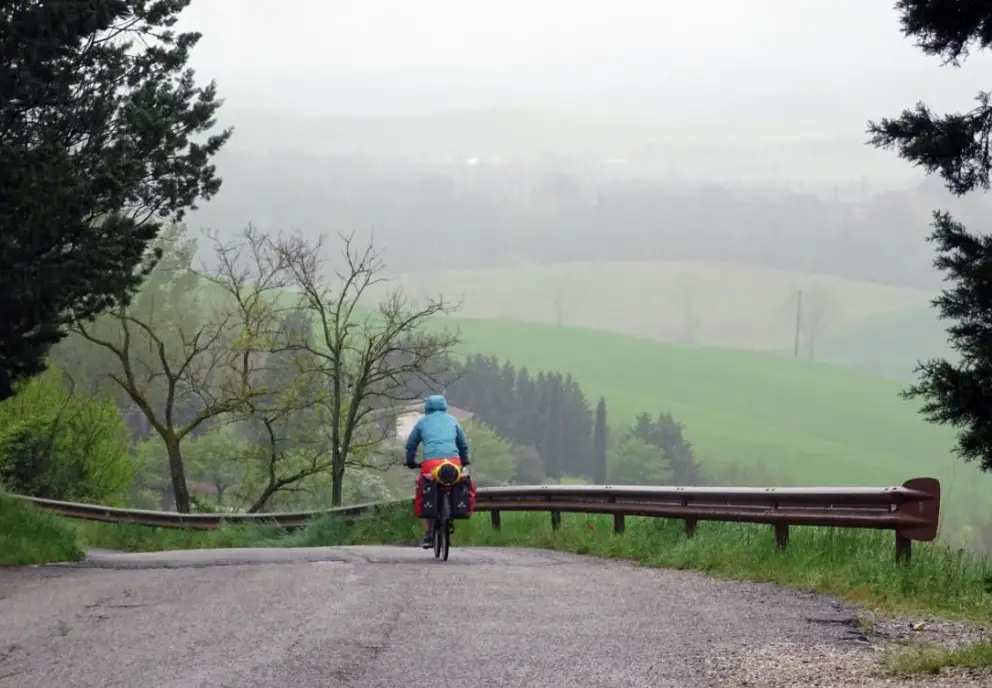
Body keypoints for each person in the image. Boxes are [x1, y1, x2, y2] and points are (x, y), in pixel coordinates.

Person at [404, 394, 470, 548]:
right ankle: (452, 514)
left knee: (424, 488)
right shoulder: (452, 420)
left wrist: (410, 461)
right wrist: (464, 459)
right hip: (453, 462)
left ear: (427, 408)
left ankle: (428, 534)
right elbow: (463, 443)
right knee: (456, 484)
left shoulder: (422, 422)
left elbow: (411, 444)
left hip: (431, 464)